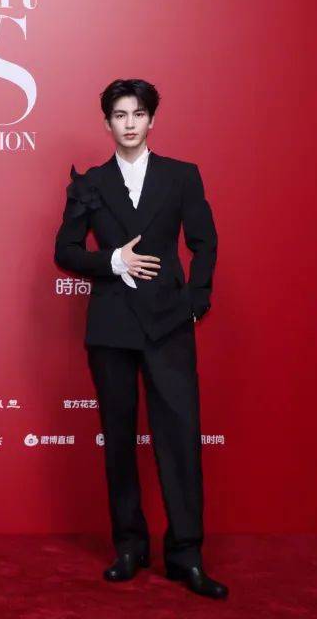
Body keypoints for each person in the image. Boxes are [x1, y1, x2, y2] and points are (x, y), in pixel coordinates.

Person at [53, 78, 228, 599]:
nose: (129, 123)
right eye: (119, 115)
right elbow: (65, 250)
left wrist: (195, 301)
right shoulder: (89, 184)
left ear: (152, 119)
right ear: (107, 123)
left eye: (137, 114)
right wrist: (113, 260)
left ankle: (186, 554)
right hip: (112, 326)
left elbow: (205, 242)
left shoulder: (182, 176)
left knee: (180, 438)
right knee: (119, 438)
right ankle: (129, 547)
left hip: (169, 323)